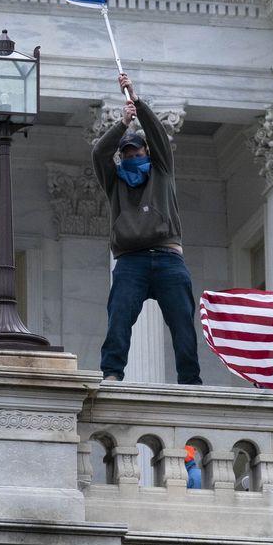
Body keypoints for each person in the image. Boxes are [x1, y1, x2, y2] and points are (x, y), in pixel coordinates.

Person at [92, 73, 200, 385]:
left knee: (182, 322)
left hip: (168, 258)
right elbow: (99, 153)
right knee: (119, 319)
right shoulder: (114, 180)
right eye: (127, 156)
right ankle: (112, 373)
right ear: (121, 158)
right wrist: (122, 125)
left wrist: (137, 102)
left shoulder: (162, 171)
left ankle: (190, 380)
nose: (133, 159)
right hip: (131, 261)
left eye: (138, 154)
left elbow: (159, 138)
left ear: (147, 155)